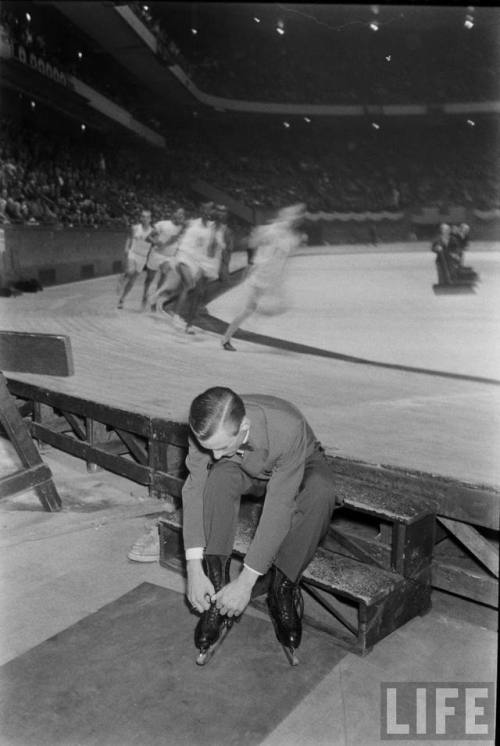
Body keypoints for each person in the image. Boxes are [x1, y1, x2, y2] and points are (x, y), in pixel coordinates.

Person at [183, 386, 339, 664]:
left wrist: (247, 581)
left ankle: (283, 587)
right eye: (209, 448)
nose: (214, 455)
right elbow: (194, 488)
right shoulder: (207, 431)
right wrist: (193, 568)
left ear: (244, 425)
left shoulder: (287, 429)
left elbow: (279, 507)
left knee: (321, 492)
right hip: (244, 464)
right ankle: (216, 587)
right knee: (217, 479)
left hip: (297, 463)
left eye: (220, 447)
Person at [221, 203, 306, 351]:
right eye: (291, 216)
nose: (294, 219)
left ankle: (232, 333)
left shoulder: (290, 237)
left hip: (273, 277)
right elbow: (252, 243)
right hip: (263, 275)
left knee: (279, 307)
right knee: (249, 310)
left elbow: (285, 259)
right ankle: (226, 338)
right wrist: (252, 262)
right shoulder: (272, 230)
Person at [149, 202, 220, 333]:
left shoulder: (212, 227)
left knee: (181, 287)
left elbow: (212, 246)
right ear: (201, 210)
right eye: (206, 209)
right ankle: (176, 317)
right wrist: (162, 244)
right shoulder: (190, 223)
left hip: (196, 260)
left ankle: (158, 295)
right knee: (189, 285)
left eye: (210, 210)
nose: (208, 212)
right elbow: (175, 234)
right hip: (182, 255)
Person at [143, 208, 186, 311]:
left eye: (182, 215)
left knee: (164, 275)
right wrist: (156, 242)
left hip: (169, 257)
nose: (179, 216)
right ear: (173, 214)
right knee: (149, 278)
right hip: (156, 255)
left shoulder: (182, 228)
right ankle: (144, 296)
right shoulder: (162, 224)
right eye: (178, 214)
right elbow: (148, 237)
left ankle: (154, 300)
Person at [117, 209, 153, 309]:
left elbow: (154, 244)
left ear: (150, 219)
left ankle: (122, 299)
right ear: (141, 218)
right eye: (143, 216)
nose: (144, 219)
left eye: (147, 217)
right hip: (133, 253)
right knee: (131, 270)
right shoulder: (135, 228)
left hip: (143, 257)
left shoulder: (153, 231)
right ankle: (123, 276)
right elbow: (129, 237)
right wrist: (126, 248)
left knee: (132, 281)